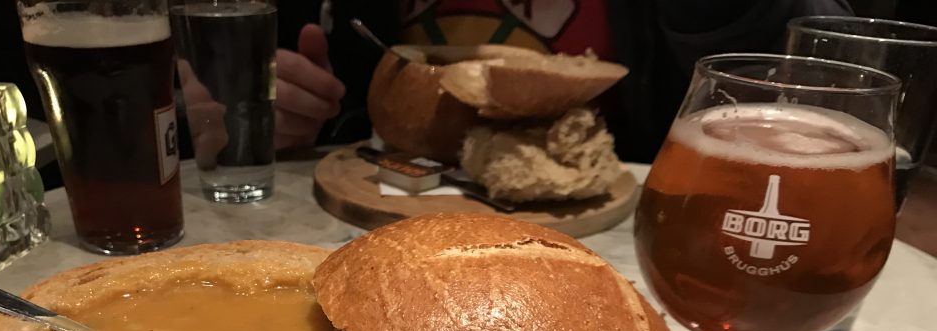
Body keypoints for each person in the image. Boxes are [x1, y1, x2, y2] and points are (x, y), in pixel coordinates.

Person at [272, 0, 854, 161]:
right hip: (375, 224)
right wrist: (276, 125)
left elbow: (833, 70)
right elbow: (328, 108)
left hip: (616, 252)